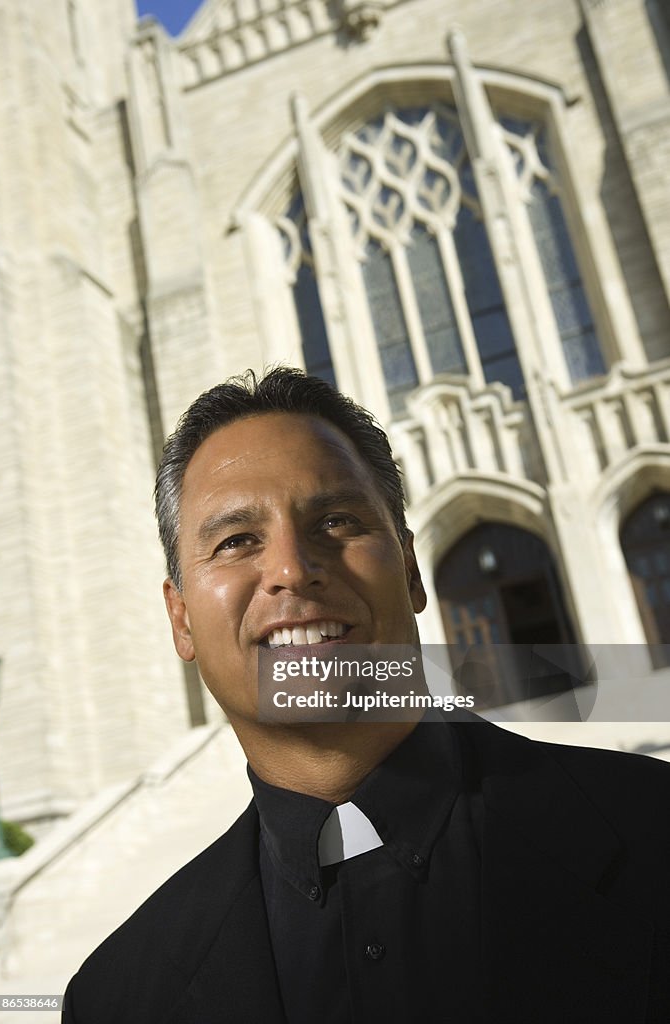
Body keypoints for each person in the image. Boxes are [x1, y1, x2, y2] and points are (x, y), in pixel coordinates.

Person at [63, 368, 670, 1023]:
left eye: (335, 521)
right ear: (181, 619)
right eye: (237, 540)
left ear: (410, 571)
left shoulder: (651, 832)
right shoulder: (118, 998)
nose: (292, 570)